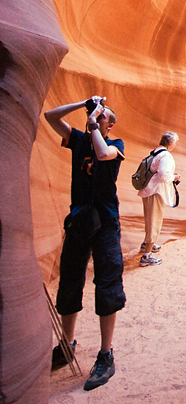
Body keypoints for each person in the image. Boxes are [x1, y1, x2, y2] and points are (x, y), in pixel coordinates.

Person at [44, 94, 125, 391]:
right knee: (69, 281)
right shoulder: (79, 139)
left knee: (106, 284)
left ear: (110, 124)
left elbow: (103, 155)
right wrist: (84, 105)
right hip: (79, 219)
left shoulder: (116, 145)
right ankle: (67, 345)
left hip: (105, 223)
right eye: (97, 113)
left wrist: (93, 128)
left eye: (103, 115)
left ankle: (106, 354)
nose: (97, 115)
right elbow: (51, 117)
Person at [138, 131, 180, 266]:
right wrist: (173, 177)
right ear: (171, 143)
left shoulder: (156, 152)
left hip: (148, 190)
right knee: (154, 222)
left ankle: (146, 245)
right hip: (156, 192)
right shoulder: (166, 156)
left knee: (150, 219)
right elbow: (163, 175)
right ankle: (146, 256)